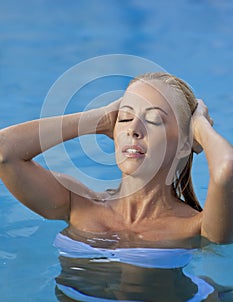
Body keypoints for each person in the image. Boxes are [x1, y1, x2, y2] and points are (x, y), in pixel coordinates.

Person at [0, 72, 233, 300]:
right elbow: (4, 151)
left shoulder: (196, 227)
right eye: (124, 118)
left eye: (153, 120)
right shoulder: (77, 203)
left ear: (184, 145)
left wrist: (199, 126)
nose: (133, 129)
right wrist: (100, 118)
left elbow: (226, 170)